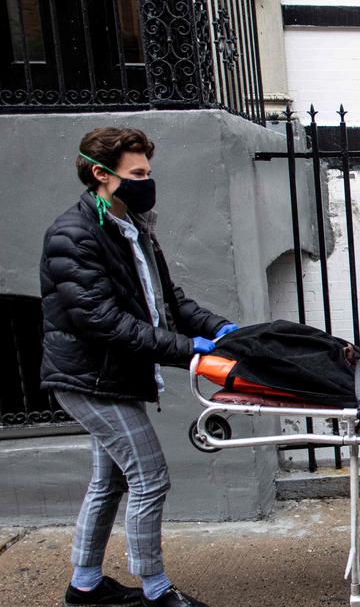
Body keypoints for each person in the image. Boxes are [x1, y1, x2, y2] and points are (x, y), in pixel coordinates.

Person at [40, 127, 238, 607]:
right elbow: (102, 321)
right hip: (89, 379)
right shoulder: (74, 235)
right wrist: (189, 348)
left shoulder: (133, 227)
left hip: (112, 375)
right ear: (100, 174)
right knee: (150, 477)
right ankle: (155, 591)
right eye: (137, 174)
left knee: (108, 481)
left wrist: (227, 330)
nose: (147, 182)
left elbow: (171, 302)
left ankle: (84, 586)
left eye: (148, 172)